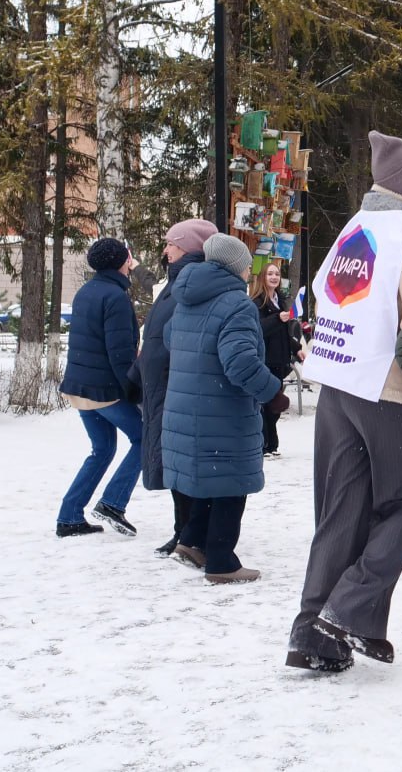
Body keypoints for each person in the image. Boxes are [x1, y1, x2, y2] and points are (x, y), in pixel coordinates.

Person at [286, 130, 402, 673]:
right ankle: (349, 608)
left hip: (338, 385)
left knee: (342, 513)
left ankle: (314, 635)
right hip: (391, 389)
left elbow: (323, 292)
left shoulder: (356, 228)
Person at [162, 233, 282, 583]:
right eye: (247, 264)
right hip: (223, 411)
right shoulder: (236, 303)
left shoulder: (187, 296)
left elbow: (171, 338)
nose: (250, 271)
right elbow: (241, 363)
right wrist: (272, 392)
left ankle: (192, 541)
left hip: (190, 407)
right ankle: (222, 562)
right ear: (235, 266)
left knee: (210, 480)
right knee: (231, 485)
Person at [128, 218, 218, 556]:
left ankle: (191, 534)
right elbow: (155, 335)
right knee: (173, 464)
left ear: (189, 248)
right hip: (162, 387)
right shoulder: (175, 281)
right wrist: (137, 375)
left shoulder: (190, 283)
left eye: (172, 244)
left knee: (182, 464)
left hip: (177, 387)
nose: (166, 250)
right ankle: (184, 531)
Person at [55, 237, 143, 538]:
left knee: (103, 449)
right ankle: (113, 503)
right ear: (121, 262)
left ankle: (69, 517)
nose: (131, 261)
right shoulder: (115, 297)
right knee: (146, 438)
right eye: (129, 257)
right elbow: (120, 354)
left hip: (80, 387)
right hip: (103, 391)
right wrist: (134, 390)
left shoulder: (86, 292)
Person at [249, 262, 304, 457]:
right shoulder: (257, 302)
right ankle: (264, 444)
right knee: (265, 404)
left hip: (279, 360)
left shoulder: (279, 300)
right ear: (263, 277)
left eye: (277, 274)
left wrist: (297, 349)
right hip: (265, 360)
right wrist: (276, 319)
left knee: (276, 405)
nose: (274, 277)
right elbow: (258, 329)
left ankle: (272, 444)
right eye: (270, 274)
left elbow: (284, 332)